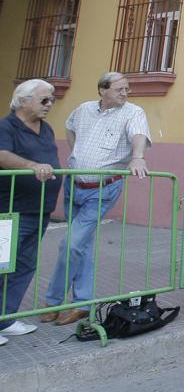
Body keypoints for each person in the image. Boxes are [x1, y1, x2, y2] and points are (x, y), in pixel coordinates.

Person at [41, 72, 151, 326]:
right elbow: (69, 129)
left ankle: (53, 301)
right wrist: (80, 156)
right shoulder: (84, 109)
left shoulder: (133, 112)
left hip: (103, 189)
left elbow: (138, 136)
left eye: (127, 89)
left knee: (69, 243)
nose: (125, 93)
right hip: (73, 185)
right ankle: (83, 302)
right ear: (102, 90)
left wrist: (138, 156)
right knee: (81, 245)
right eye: (120, 89)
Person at [0, 80, 63, 344]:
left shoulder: (45, 128)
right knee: (2, 265)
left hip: (39, 211)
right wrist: (32, 165)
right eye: (44, 100)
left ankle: (6, 319)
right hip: (11, 210)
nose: (49, 105)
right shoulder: (7, 126)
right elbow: (1, 155)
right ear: (23, 101)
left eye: (52, 100)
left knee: (24, 265)